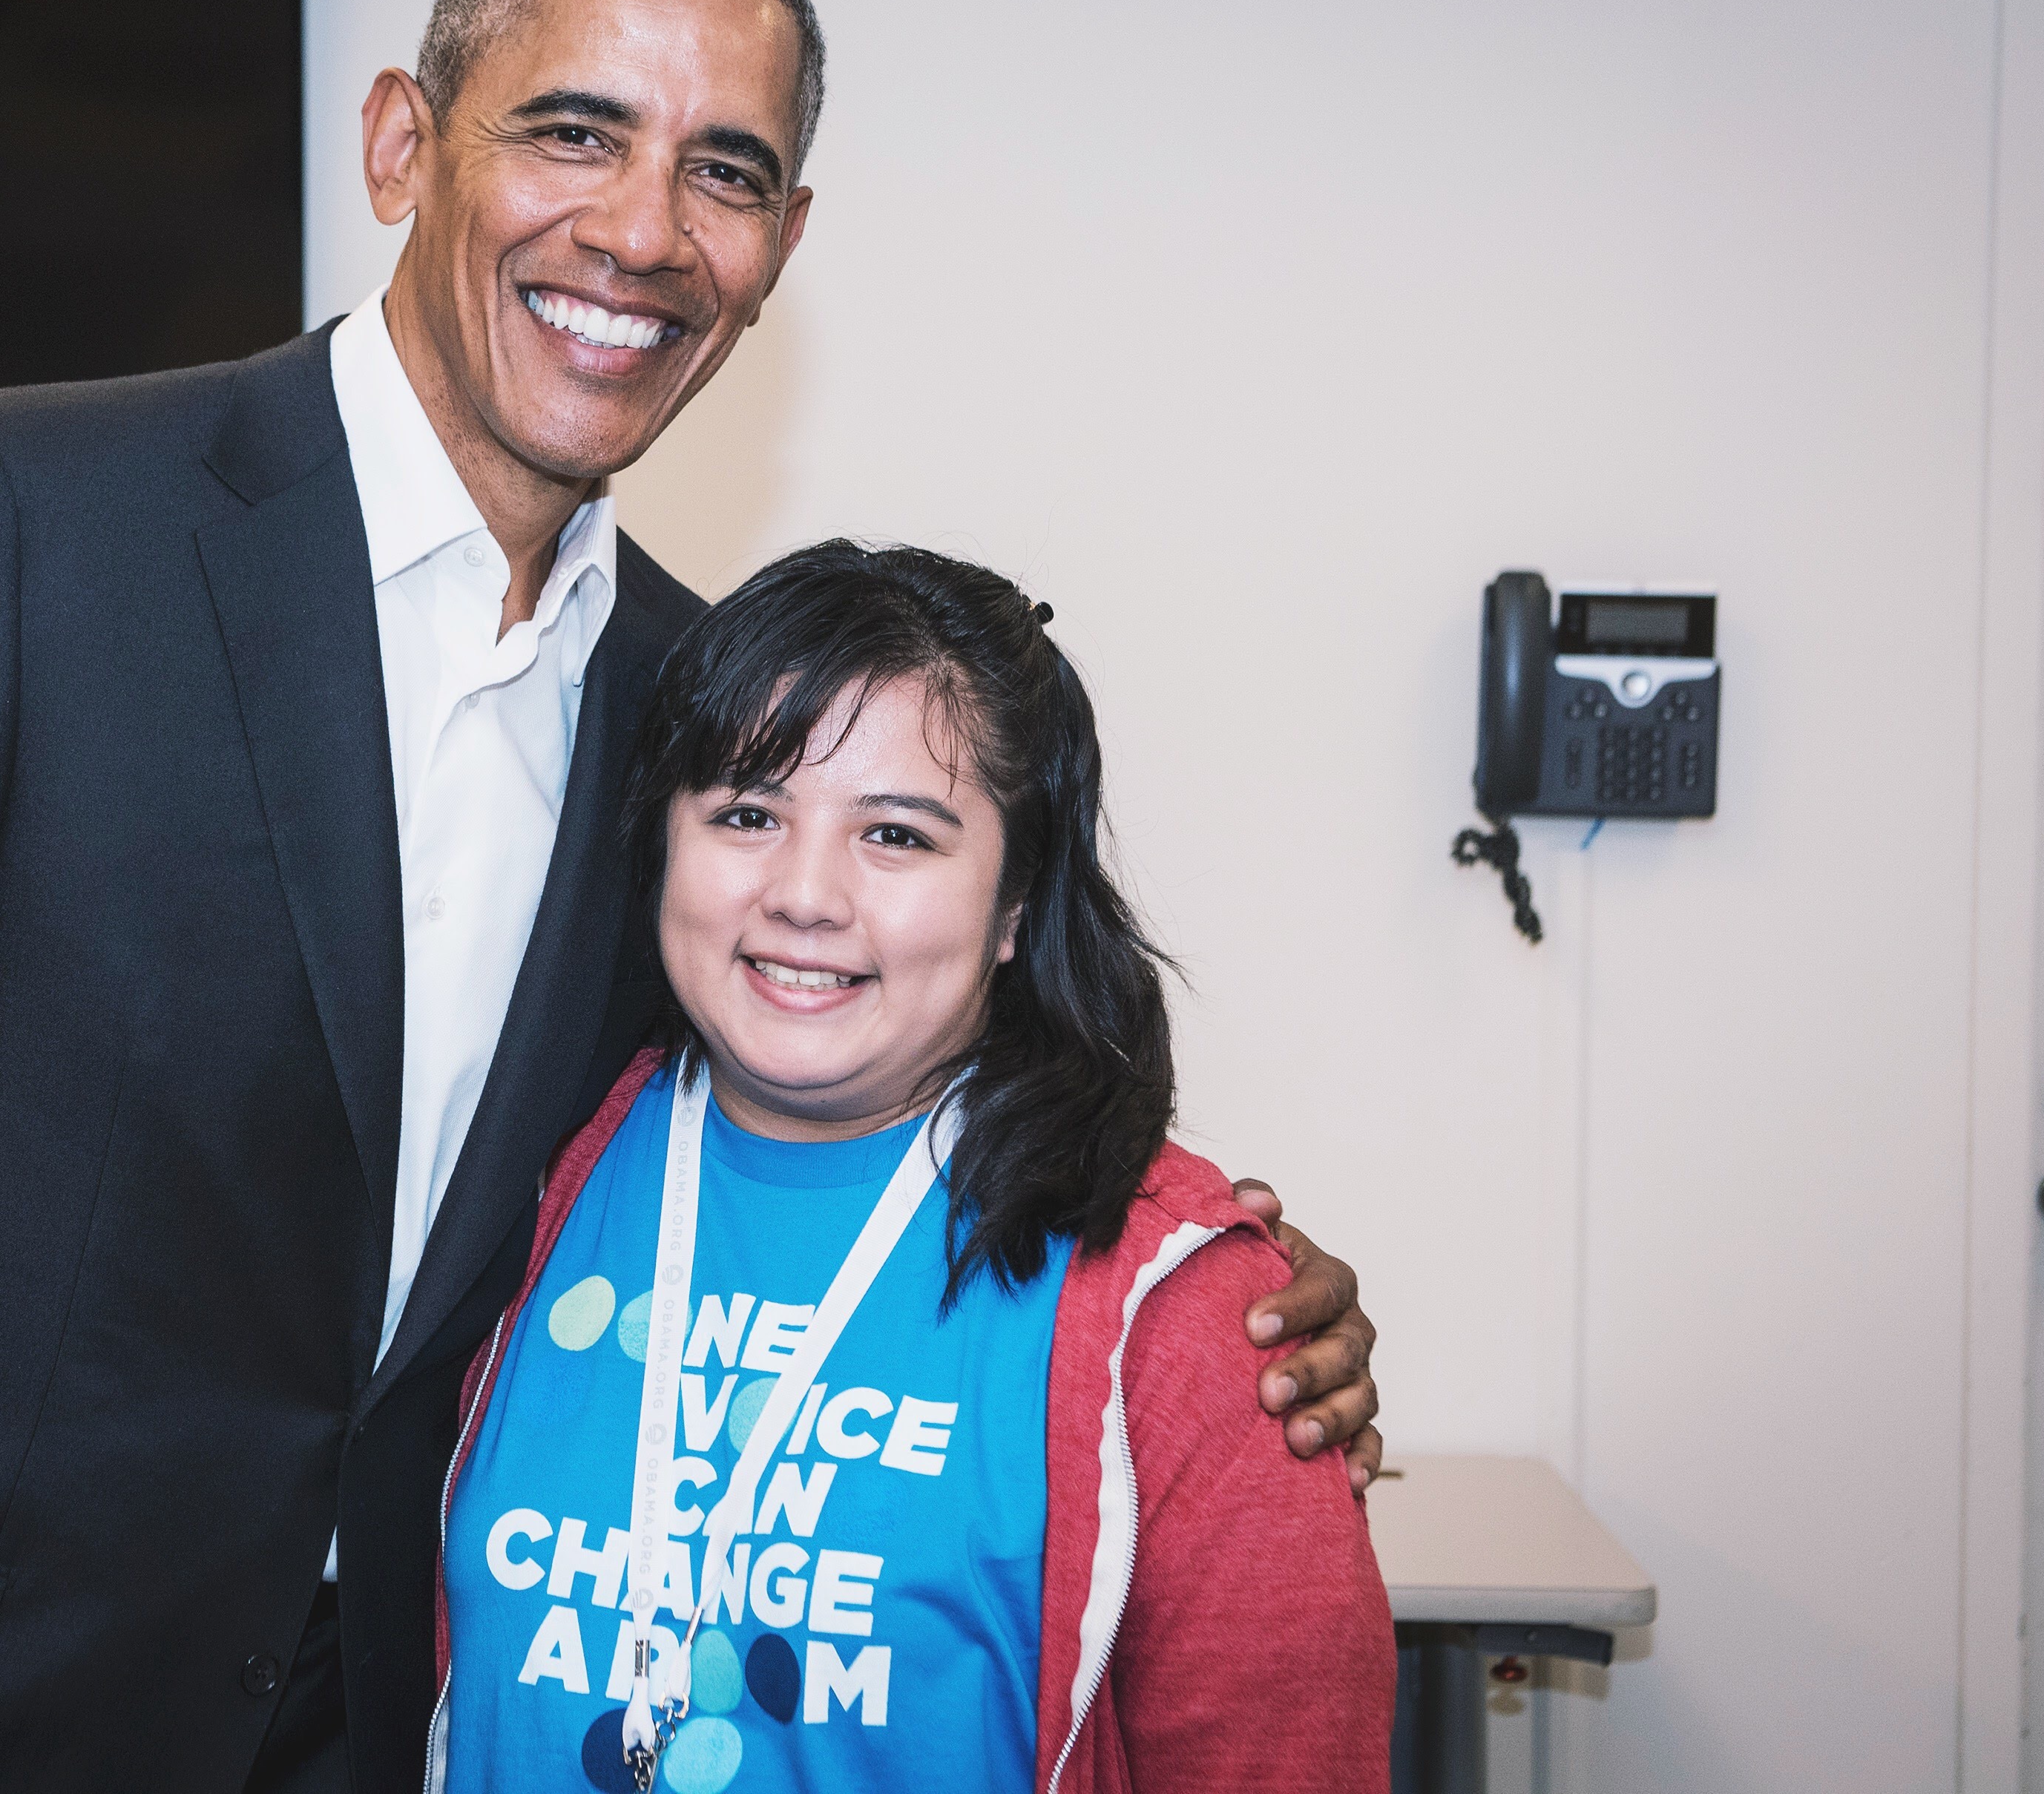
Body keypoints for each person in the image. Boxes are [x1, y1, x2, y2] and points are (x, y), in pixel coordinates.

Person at [0, 0, 1383, 1794]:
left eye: (723, 173)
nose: (642, 230)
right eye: (574, 129)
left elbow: (855, 1043)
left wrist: (1232, 1294)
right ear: (405, 140)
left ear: (782, 242)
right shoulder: (3, 523)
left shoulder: (696, 703)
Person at [436, 543, 1392, 1793]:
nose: (805, 894)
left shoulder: (1181, 1314)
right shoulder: (533, 1159)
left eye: (895, 834)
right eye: (745, 814)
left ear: (1014, 904)